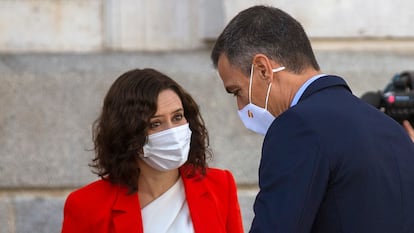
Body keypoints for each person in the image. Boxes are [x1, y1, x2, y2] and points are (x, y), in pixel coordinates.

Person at [211, 5, 414, 233]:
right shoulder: (391, 128)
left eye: (236, 91)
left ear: (262, 68)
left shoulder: (296, 127)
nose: (240, 105)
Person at [61, 68, 244, 233]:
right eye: (155, 123)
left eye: (177, 117)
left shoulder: (220, 186)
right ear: (127, 133)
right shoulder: (85, 206)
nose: (172, 131)